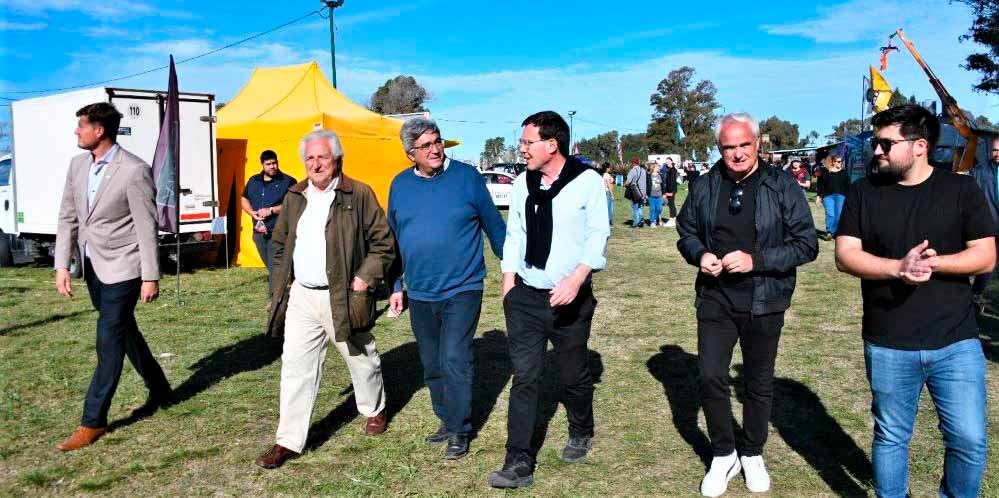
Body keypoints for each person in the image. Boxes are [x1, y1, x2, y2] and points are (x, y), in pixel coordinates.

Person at [835, 105, 994, 498]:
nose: (877, 151)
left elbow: (986, 255)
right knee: (891, 437)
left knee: (970, 441)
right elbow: (845, 255)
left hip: (956, 341)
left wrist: (934, 262)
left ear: (919, 145)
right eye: (876, 142)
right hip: (888, 340)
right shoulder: (864, 192)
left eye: (886, 143)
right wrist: (897, 268)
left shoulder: (960, 190)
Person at [676, 112, 818, 497]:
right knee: (710, 376)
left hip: (765, 299)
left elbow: (807, 244)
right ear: (718, 149)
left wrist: (756, 260)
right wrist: (699, 253)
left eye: (743, 145)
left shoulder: (781, 185)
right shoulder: (705, 186)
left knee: (757, 381)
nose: (737, 154)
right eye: (728, 147)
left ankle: (752, 451)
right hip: (715, 296)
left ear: (758, 145)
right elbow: (685, 231)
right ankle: (724, 453)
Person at [255, 129, 396, 470]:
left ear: (336, 160)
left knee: (359, 356)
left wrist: (364, 277)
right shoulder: (294, 196)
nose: (315, 164)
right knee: (295, 366)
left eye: (322, 157)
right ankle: (288, 440)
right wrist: (281, 285)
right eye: (310, 158)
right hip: (302, 295)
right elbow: (280, 244)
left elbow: (384, 244)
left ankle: (374, 409)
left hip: (344, 294)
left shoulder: (358, 194)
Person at [488, 111, 609, 489]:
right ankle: (518, 461)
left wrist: (576, 279)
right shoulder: (524, 182)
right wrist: (509, 283)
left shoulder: (586, 181)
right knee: (525, 377)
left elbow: (597, 235)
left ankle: (581, 429)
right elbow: (515, 235)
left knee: (572, 373)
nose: (521, 149)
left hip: (569, 297)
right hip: (525, 296)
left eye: (527, 142)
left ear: (551, 144)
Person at [53, 102, 174, 451]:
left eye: (81, 126)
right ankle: (161, 389)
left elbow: (145, 225)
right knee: (124, 332)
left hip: (125, 267)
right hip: (93, 266)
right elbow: (68, 218)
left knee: (108, 340)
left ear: (100, 130)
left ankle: (93, 421)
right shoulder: (77, 166)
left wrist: (150, 276)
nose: (77, 131)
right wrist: (63, 265)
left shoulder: (134, 170)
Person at [386, 118, 506, 460]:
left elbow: (495, 228)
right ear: (411, 155)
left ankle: (459, 429)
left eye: (437, 141)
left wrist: (513, 270)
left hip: (463, 286)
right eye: (426, 146)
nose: (435, 149)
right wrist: (396, 284)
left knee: (455, 357)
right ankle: (446, 417)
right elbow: (392, 239)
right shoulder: (399, 185)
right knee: (432, 361)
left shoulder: (467, 179)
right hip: (421, 290)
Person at [241, 150, 297, 301]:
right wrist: (251, 212)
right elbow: (244, 199)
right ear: (262, 165)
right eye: (269, 164)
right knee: (271, 265)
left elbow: (294, 204)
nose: (272, 166)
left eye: (274, 163)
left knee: (274, 265)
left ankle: (274, 299)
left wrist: (272, 210)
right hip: (258, 231)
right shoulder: (254, 181)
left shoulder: (288, 181)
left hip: (278, 230)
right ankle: (289, 280)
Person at [970, 135, 999, 310]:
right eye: (995, 150)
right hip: (990, 227)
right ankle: (976, 296)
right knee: (987, 264)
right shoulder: (980, 172)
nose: (997, 154)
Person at [815, 155, 850, 241]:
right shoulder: (826, 172)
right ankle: (829, 232)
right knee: (830, 214)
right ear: (833, 162)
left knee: (838, 215)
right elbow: (821, 185)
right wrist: (819, 196)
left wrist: (850, 197)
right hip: (828, 196)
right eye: (838, 161)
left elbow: (848, 186)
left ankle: (835, 232)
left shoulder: (844, 173)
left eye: (841, 161)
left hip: (841, 196)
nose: (840, 163)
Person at [625, 157, 648, 227]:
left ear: (633, 163)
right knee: (640, 207)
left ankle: (635, 223)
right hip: (643, 192)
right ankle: (641, 221)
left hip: (635, 192)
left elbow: (628, 182)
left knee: (635, 207)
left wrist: (625, 184)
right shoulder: (643, 170)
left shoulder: (632, 171)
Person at [661, 157, 679, 227]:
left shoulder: (673, 170)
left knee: (671, 205)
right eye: (666, 162)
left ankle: (672, 219)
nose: (667, 163)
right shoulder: (670, 170)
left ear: (672, 161)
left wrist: (671, 192)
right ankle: (673, 219)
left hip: (671, 190)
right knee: (671, 204)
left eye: (668, 161)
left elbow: (672, 182)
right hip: (670, 190)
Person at [647, 162, 664, 227]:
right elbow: (647, 185)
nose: (658, 168)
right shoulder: (649, 175)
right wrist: (646, 193)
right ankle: (652, 222)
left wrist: (664, 193)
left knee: (659, 209)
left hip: (659, 195)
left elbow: (663, 185)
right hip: (651, 195)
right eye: (657, 167)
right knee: (652, 209)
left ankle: (654, 219)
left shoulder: (660, 175)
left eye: (658, 167)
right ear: (653, 168)